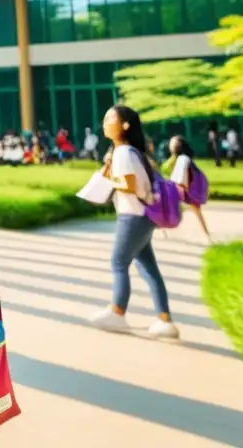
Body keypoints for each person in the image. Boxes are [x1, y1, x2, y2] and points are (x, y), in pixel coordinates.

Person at [90, 105, 178, 339]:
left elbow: (129, 185)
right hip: (142, 216)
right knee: (148, 267)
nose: (105, 122)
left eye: (111, 118)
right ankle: (164, 320)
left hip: (133, 215)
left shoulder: (124, 153)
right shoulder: (127, 152)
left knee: (118, 263)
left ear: (125, 126)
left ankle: (117, 313)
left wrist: (105, 184)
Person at [166, 136, 211, 242]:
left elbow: (182, 177)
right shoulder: (183, 158)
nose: (170, 146)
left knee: (168, 207)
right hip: (188, 190)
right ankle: (206, 234)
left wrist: (182, 188)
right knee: (197, 213)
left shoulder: (182, 159)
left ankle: (164, 232)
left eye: (172, 143)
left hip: (186, 190)